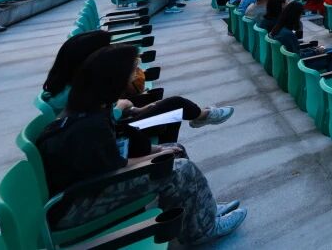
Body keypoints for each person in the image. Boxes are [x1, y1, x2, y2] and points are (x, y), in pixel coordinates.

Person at [35, 44, 247, 244]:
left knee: (174, 151)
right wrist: (156, 156)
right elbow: (116, 167)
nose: (135, 75)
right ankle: (202, 230)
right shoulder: (90, 125)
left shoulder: (89, 108)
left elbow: (109, 158)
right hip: (77, 205)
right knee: (179, 168)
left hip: (84, 189)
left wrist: (158, 151)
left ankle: (202, 211)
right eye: (131, 71)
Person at [41, 32, 234, 128]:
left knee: (161, 104)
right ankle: (202, 116)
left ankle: (201, 115)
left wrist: (131, 108)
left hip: (113, 122)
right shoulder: (69, 94)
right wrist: (121, 108)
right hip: (113, 132)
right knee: (175, 104)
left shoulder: (67, 82)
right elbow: (91, 123)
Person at [270, 1, 332, 72]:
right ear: (295, 16)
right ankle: (330, 76)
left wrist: (313, 50)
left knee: (331, 50)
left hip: (290, 64)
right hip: (300, 66)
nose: (301, 17)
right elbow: (298, 56)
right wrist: (316, 51)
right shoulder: (288, 35)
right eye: (300, 15)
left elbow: (295, 50)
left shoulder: (279, 28)